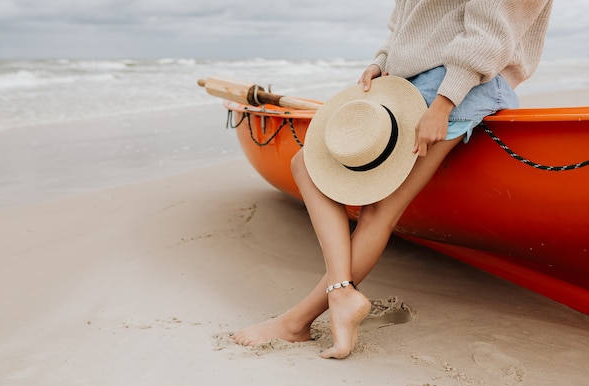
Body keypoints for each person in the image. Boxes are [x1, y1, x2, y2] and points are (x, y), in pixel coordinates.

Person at [233, 0, 553, 359]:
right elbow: (407, 18)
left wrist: (443, 105)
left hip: (454, 85)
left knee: (378, 211)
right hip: (406, 83)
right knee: (307, 164)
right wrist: (381, 61)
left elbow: (492, 29)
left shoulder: (451, 91)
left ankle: (297, 321)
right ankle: (340, 294)